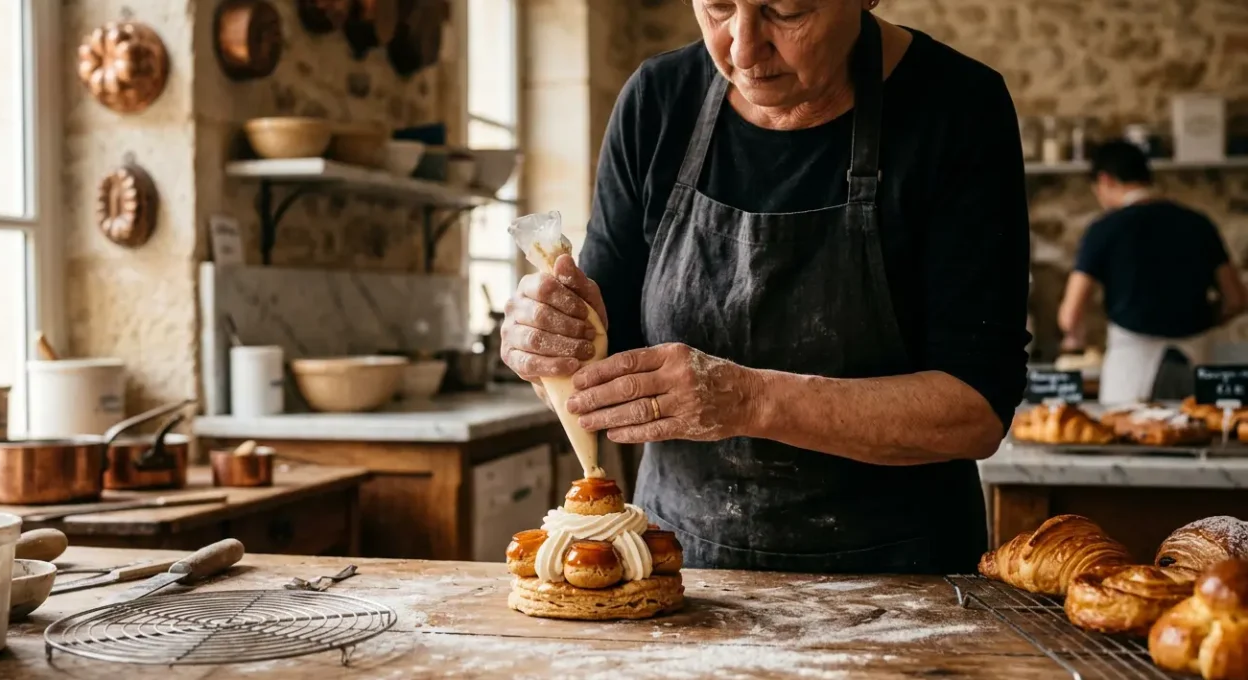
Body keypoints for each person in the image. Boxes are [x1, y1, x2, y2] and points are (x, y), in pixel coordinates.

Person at [500, 0, 1029, 574]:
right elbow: (605, 364)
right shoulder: (658, 100)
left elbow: (975, 412)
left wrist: (748, 400)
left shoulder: (957, 108)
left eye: (787, 11)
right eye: (719, 7)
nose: (743, 49)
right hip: (680, 571)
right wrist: (552, 346)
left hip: (901, 581)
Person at [1058, 140, 1247, 405]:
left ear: (1105, 180)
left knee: (1128, 437)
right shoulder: (1198, 224)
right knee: (1199, 435)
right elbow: (1236, 299)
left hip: (1131, 367)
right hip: (1196, 359)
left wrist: (1076, 339)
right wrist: (1207, 320)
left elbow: (1070, 315)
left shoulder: (1104, 229)